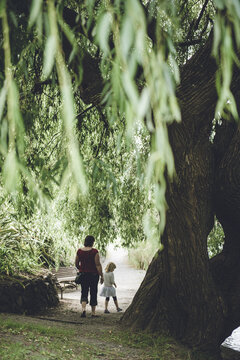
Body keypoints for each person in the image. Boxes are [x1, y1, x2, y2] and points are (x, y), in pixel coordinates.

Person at [75, 235, 103, 318]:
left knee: (84, 292)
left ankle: (83, 310)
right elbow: (98, 265)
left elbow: (76, 263)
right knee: (93, 292)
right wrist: (102, 276)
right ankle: (93, 313)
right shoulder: (94, 252)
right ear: (92, 242)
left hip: (83, 275)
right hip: (93, 275)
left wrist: (81, 269)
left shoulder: (79, 251)